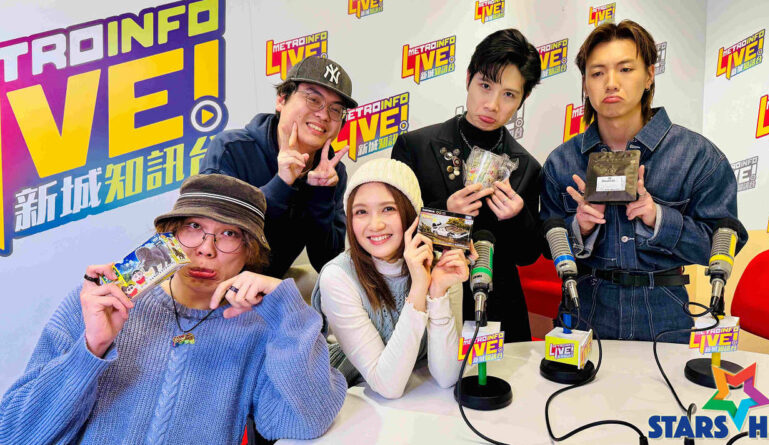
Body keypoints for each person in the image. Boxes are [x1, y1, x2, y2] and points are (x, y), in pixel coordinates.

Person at [0, 174, 345, 443]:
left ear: (249, 252)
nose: (206, 249)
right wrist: (91, 348)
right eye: (193, 227)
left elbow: (303, 422)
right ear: (168, 237)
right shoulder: (98, 303)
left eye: (229, 234)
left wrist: (288, 314)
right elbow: (14, 434)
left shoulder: (258, 329)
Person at [539, 20, 747, 342]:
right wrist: (579, 228)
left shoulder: (698, 156)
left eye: (625, 69)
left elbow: (724, 244)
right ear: (585, 84)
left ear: (649, 75)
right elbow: (546, 244)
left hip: (666, 310)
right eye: (597, 73)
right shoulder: (561, 162)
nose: (611, 83)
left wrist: (658, 218)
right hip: (586, 309)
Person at [392, 29, 544, 343]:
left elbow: (527, 256)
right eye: (485, 86)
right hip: (430, 301)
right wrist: (446, 214)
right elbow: (393, 235)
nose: (492, 104)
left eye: (509, 95)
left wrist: (517, 217)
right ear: (468, 79)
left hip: (501, 310)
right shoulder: (415, 147)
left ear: (523, 99)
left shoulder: (526, 166)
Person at [311, 159, 473, 399]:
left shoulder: (441, 267)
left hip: (414, 394)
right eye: (361, 212)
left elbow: (447, 376)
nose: (375, 224)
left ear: (412, 214)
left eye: (388, 209)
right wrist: (419, 288)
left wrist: (437, 290)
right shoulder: (338, 277)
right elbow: (388, 386)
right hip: (349, 395)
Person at [200, 56, 358, 278]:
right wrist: (281, 184)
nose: (323, 115)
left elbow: (327, 263)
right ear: (281, 100)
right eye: (313, 99)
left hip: (271, 288)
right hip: (216, 287)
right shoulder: (231, 149)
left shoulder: (331, 172)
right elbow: (214, 247)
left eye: (336, 109)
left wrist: (321, 196)